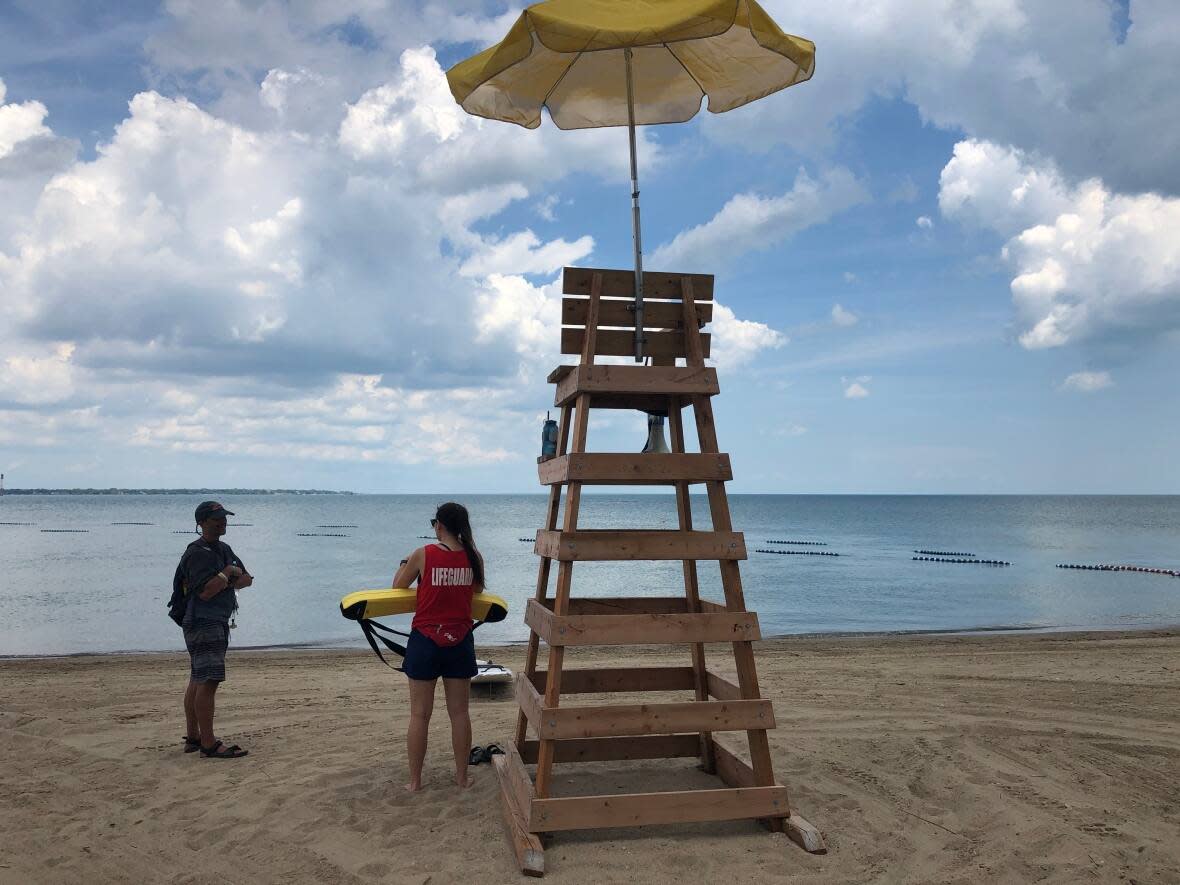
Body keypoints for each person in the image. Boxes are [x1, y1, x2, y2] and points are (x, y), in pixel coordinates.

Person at [392, 502, 485, 792]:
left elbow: (398, 585)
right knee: (460, 713)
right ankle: (461, 778)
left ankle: (415, 782)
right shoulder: (474, 556)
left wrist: (406, 561)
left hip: (425, 640)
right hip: (460, 640)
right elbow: (478, 590)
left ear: (439, 526)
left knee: (419, 714)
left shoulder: (423, 554)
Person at [176, 500, 254, 758]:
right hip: (202, 620)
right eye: (216, 519)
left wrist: (226, 576)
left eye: (224, 517)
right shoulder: (197, 553)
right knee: (208, 680)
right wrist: (228, 572)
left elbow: (247, 580)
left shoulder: (223, 548)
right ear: (201, 523)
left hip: (216, 619)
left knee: (198, 678)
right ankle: (208, 743)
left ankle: (194, 738)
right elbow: (207, 592)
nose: (222, 522)